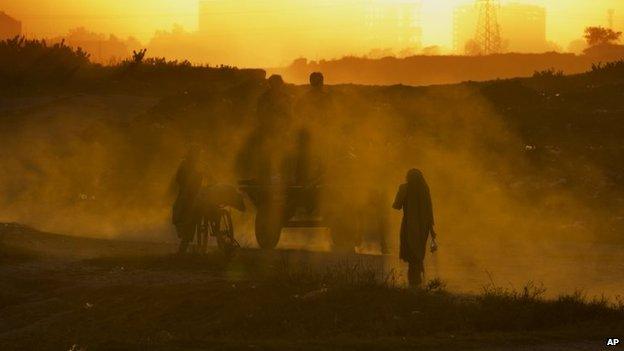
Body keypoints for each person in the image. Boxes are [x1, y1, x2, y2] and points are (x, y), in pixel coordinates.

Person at [392, 168, 436, 287]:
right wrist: (432, 231)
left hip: (408, 227)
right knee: (418, 254)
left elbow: (396, 205)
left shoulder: (404, 188)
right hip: (424, 228)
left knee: (412, 256)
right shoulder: (425, 189)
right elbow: (429, 210)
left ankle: (414, 283)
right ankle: (418, 281)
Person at [172, 147, 203, 254]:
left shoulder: (198, 166)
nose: (197, 157)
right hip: (187, 195)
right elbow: (179, 179)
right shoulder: (185, 165)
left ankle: (184, 246)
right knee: (180, 215)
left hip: (193, 195)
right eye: (195, 155)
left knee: (187, 218)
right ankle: (184, 242)